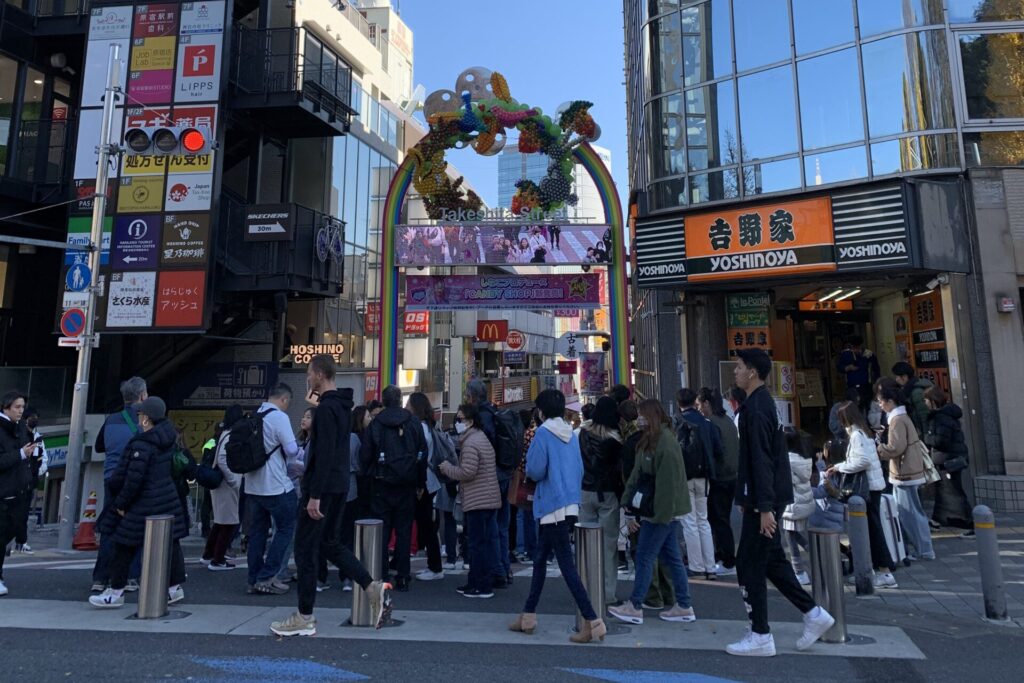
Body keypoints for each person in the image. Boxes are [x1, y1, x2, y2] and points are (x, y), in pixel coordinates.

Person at [271, 355, 390, 636]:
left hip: (320, 490)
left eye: (310, 374)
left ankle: (304, 616)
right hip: (339, 487)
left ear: (321, 375)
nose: (308, 378)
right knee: (330, 544)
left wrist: (313, 495)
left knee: (305, 550)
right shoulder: (343, 408)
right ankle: (372, 587)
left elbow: (323, 455)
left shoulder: (325, 410)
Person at [727, 348, 834, 657]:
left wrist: (762, 507)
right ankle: (814, 614)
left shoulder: (756, 409)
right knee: (773, 562)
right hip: (764, 498)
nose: (735, 371)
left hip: (765, 502)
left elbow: (760, 460)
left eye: (739, 366)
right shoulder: (760, 405)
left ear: (752, 372)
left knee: (748, 566)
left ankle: (760, 634)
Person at [509, 389, 607, 643]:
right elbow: (578, 468)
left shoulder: (543, 433)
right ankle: (528, 614)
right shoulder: (571, 434)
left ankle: (593, 620)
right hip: (569, 502)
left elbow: (535, 469)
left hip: (551, 504)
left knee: (565, 565)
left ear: (541, 411)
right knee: (540, 560)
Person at [90, 397, 188, 608]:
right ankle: (174, 589)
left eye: (141, 415)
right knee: (171, 543)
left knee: (123, 545)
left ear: (146, 419)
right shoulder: (167, 438)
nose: (139, 419)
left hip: (142, 502)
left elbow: (134, 479)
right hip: (166, 498)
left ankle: (115, 592)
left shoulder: (142, 445)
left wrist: (121, 504)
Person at [608, 398, 696, 626]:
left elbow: (667, 485)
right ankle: (684, 605)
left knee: (645, 556)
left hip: (660, 511)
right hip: (662, 510)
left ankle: (635, 605)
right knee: (671, 558)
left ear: (652, 417)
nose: (639, 419)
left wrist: (658, 516)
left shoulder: (663, 443)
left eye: (643, 415)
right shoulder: (656, 439)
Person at [359, 385, 427, 592]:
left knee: (382, 531)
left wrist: (370, 474)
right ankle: (404, 576)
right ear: (399, 400)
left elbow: (365, 455)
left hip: (381, 482)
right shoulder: (413, 422)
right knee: (404, 530)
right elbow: (422, 452)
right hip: (406, 483)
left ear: (384, 400)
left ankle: (382, 574)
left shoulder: (376, 424)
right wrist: (419, 481)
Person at [828, 401, 897, 586]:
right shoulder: (865, 432)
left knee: (872, 531)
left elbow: (862, 461)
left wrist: (839, 467)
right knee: (872, 529)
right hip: (874, 486)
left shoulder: (857, 435)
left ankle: (884, 570)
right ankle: (876, 569)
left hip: (867, 488)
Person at [91, 377, 148, 594]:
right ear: (142, 396)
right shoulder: (145, 421)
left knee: (109, 528)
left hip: (111, 479)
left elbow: (99, 446)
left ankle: (100, 577)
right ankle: (130, 576)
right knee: (135, 529)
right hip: (134, 480)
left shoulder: (111, 419)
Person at [439, 403, 501, 598]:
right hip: (488, 498)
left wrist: (447, 468)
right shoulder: (480, 438)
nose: (457, 423)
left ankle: (480, 585)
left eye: (460, 419)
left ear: (470, 421)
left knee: (476, 544)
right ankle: (480, 582)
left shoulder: (471, 442)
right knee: (483, 543)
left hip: (478, 500)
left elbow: (468, 472)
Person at [244, 384, 299, 595]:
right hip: (276, 486)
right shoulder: (279, 418)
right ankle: (267, 576)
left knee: (257, 532)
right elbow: (292, 450)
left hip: (252, 486)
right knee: (286, 528)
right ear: (284, 399)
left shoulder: (254, 415)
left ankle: (253, 578)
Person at [875, 378, 936, 562]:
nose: (880, 405)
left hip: (905, 472)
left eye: (880, 401)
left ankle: (923, 550)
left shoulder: (897, 420)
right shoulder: (901, 417)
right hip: (908, 470)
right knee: (910, 512)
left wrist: (879, 447)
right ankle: (918, 548)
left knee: (910, 514)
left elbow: (896, 448)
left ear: (890, 401)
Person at [465, 378, 514, 587]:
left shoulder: (481, 418)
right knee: (501, 525)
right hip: (505, 474)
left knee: (490, 526)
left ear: (473, 396)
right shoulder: (494, 413)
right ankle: (504, 568)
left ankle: (496, 571)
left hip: (490, 478)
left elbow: (481, 452)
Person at [578, 396, 624, 607]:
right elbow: (618, 472)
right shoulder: (615, 440)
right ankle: (608, 594)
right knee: (608, 547)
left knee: (585, 543)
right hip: (607, 494)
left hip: (585, 491)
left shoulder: (583, 434)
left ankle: (585, 590)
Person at [676, 388, 719, 581]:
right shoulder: (707, 423)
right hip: (705, 476)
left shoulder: (677, 423)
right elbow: (719, 449)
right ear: (695, 402)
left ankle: (696, 566)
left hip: (685, 476)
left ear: (679, 403)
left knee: (689, 522)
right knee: (703, 520)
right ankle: (710, 566)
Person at [696, 387, 738, 577]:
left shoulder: (710, 423)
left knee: (718, 519)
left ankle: (728, 560)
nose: (699, 408)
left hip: (719, 477)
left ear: (706, 403)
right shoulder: (728, 421)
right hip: (732, 476)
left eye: (699, 404)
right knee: (721, 518)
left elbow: (714, 451)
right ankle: (723, 556)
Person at [923, 386, 974, 535]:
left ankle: (969, 523)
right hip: (948, 459)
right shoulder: (947, 415)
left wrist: (927, 438)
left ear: (933, 401)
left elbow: (941, 441)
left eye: (926, 399)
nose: (925, 403)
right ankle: (937, 520)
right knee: (944, 491)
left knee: (953, 491)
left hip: (948, 461)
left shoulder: (941, 417)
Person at [201, 405, 244, 570]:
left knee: (220, 522)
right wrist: (234, 480)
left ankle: (209, 555)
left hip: (219, 483)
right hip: (226, 484)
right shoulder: (231, 435)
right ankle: (218, 559)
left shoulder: (223, 434)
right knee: (229, 523)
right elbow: (222, 459)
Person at [409, 393, 446, 582]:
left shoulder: (420, 428)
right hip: (428, 480)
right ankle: (434, 564)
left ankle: (435, 566)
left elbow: (419, 456)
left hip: (423, 480)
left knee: (424, 523)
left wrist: (418, 482)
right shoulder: (428, 427)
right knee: (426, 523)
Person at [0, 391, 33, 596]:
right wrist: (21, 454)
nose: (21, 411)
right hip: (4, 491)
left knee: (9, 533)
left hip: (18, 490)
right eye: (17, 407)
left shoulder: (20, 427)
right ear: (6, 408)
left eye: (22, 407)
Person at [781, 428, 814, 587]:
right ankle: (813, 553)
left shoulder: (787, 460)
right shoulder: (805, 458)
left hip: (792, 503)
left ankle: (799, 571)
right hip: (804, 502)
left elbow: (784, 481)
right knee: (793, 533)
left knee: (789, 536)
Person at [12, 406, 46, 554]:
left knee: (23, 513)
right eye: (32, 417)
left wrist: (35, 471)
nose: (34, 420)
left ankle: (21, 541)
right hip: (15, 482)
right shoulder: (18, 435)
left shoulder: (38, 438)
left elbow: (42, 459)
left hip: (29, 482)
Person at [836, 336, 881, 413]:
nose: (855, 349)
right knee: (853, 408)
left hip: (866, 385)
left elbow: (876, 370)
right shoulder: (846, 354)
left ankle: (866, 423)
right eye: (853, 347)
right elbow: (839, 367)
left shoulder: (868, 354)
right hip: (852, 386)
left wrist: (876, 383)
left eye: (857, 347)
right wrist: (848, 368)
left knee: (868, 407)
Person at [892, 362, 933, 437]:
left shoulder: (916, 392)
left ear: (904, 377)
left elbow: (924, 416)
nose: (896, 379)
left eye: (897, 377)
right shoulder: (907, 390)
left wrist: (926, 437)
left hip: (923, 433)